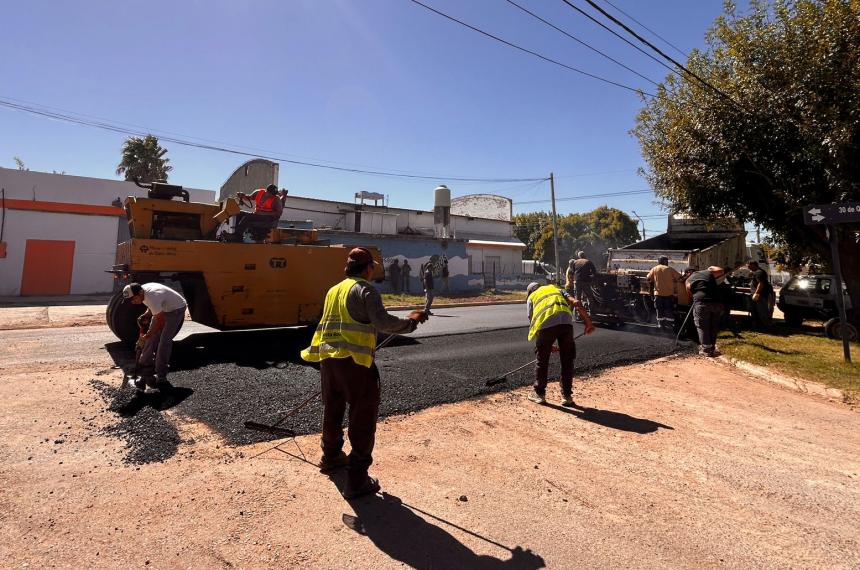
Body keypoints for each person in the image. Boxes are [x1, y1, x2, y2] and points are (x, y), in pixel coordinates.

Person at [301, 248, 428, 499]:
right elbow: (381, 322)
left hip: (329, 360)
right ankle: (357, 480)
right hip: (355, 364)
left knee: (333, 409)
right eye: (373, 267)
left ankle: (331, 457)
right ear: (368, 268)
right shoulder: (365, 289)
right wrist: (410, 322)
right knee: (362, 417)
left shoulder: (334, 289)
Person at [525, 281, 595, 406]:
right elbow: (576, 302)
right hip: (566, 323)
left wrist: (545, 346)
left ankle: (539, 393)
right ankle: (567, 396)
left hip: (546, 324)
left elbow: (533, 322)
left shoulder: (531, 297)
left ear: (530, 291)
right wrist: (588, 323)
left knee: (542, 360)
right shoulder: (556, 289)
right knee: (567, 360)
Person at [123, 282, 187, 393]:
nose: (132, 302)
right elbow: (153, 305)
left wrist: (147, 335)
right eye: (130, 300)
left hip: (176, 309)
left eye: (133, 299)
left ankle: (161, 375)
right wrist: (147, 315)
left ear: (141, 292)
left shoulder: (152, 296)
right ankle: (145, 364)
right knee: (150, 339)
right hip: (163, 308)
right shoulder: (143, 292)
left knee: (164, 342)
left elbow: (160, 323)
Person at [686, 266, 727, 357]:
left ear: (688, 273)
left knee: (702, 326)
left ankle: (706, 349)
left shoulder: (688, 279)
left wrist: (693, 299)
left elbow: (689, 291)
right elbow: (721, 270)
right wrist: (711, 267)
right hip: (716, 303)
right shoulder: (708, 272)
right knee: (714, 325)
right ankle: (712, 348)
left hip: (701, 303)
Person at [646, 256, 682, 331]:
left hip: (658, 294)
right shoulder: (669, 269)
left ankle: (661, 325)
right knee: (668, 309)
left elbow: (648, 278)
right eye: (667, 261)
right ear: (665, 262)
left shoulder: (654, 269)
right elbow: (679, 278)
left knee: (659, 309)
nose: (668, 262)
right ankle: (669, 325)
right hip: (669, 294)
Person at [747, 260, 774, 328]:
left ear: (753, 265)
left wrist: (756, 293)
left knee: (762, 311)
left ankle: (766, 325)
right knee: (756, 311)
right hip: (758, 296)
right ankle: (759, 325)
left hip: (760, 296)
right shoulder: (757, 272)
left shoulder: (759, 272)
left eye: (749, 265)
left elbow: (761, 283)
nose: (748, 267)